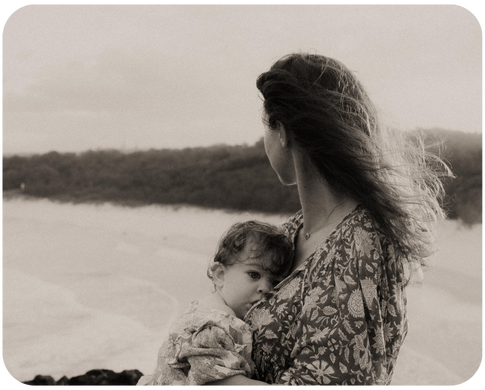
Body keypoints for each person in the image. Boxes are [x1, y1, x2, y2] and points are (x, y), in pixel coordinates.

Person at [204, 53, 450, 389]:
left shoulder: (357, 248)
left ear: (283, 133)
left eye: (265, 126)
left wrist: (215, 380)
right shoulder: (293, 232)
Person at [136, 220, 293, 389]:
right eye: (254, 275)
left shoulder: (205, 311)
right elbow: (220, 383)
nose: (265, 288)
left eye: (275, 282)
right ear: (220, 275)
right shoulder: (214, 323)